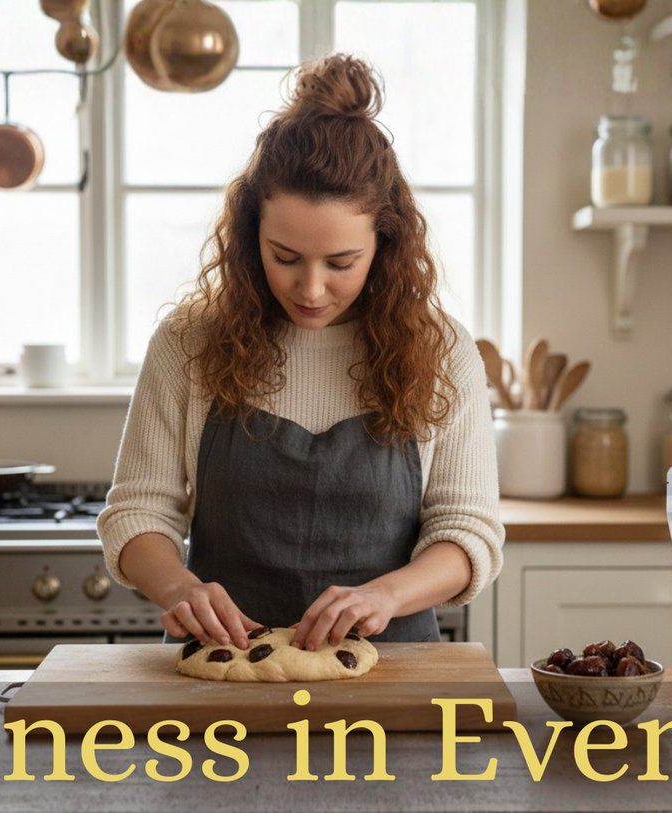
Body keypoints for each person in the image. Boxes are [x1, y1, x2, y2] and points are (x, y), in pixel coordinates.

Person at [97, 53, 502, 653]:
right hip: (219, 680)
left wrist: (386, 596)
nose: (311, 290)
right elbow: (138, 513)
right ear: (249, 235)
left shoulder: (441, 351)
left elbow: (468, 532)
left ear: (384, 244)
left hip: (393, 674)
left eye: (341, 263)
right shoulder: (189, 343)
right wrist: (179, 586)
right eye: (284, 256)